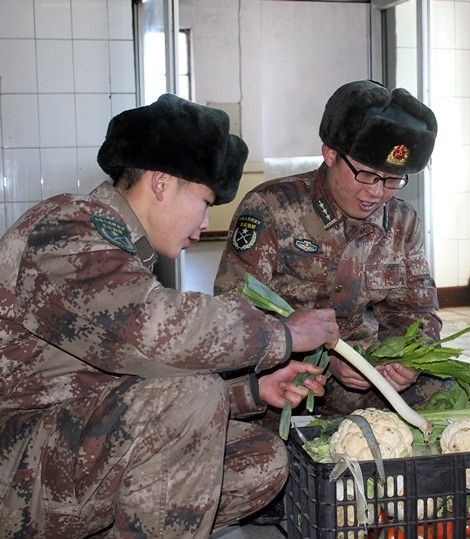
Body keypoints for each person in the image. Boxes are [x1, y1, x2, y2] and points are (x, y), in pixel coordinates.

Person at [0, 93, 340, 536]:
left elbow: (127, 382)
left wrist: (252, 392)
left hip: (52, 440)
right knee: (192, 391)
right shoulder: (67, 229)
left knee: (259, 459)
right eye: (203, 202)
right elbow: (155, 333)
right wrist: (283, 334)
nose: (203, 226)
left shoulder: (123, 249)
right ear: (161, 184)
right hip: (13, 461)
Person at [214, 80, 447, 417]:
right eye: (366, 174)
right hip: (288, 370)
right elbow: (234, 312)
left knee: (448, 392)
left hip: (368, 372)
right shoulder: (272, 207)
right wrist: (321, 357)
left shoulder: (402, 221)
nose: (378, 193)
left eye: (393, 180)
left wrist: (403, 358)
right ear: (330, 153)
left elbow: (418, 313)